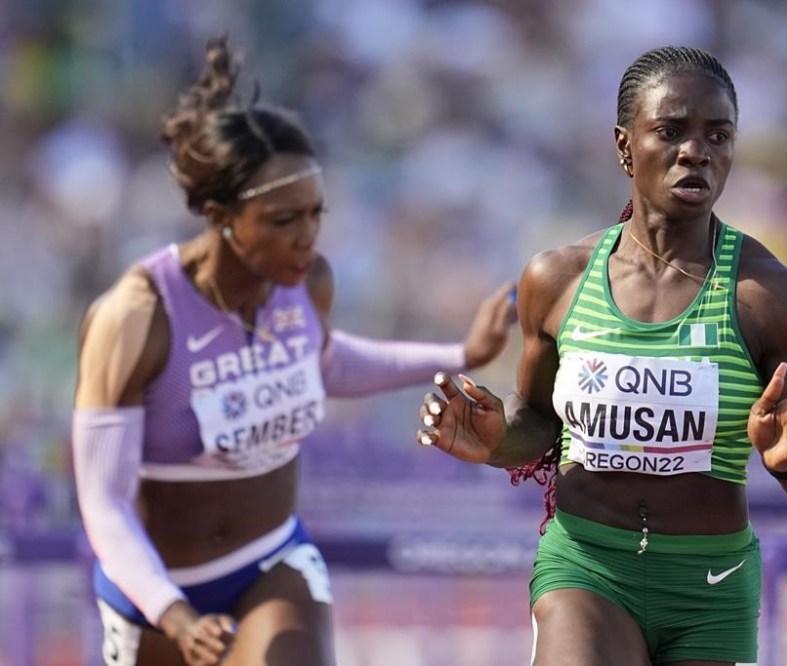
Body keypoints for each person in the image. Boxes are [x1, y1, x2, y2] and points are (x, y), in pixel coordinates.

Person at [72, 35, 516, 666]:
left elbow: (325, 364)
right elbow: (103, 501)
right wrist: (172, 612)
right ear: (222, 216)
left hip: (270, 563)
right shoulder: (137, 318)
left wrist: (458, 352)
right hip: (154, 595)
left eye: (316, 214)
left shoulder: (306, 282)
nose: (308, 239)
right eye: (285, 221)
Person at [417, 45, 787, 666]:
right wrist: (494, 439)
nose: (696, 151)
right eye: (671, 131)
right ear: (625, 146)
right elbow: (538, 425)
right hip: (587, 566)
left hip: (712, 585)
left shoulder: (767, 294)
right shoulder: (558, 278)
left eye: (718, 135)